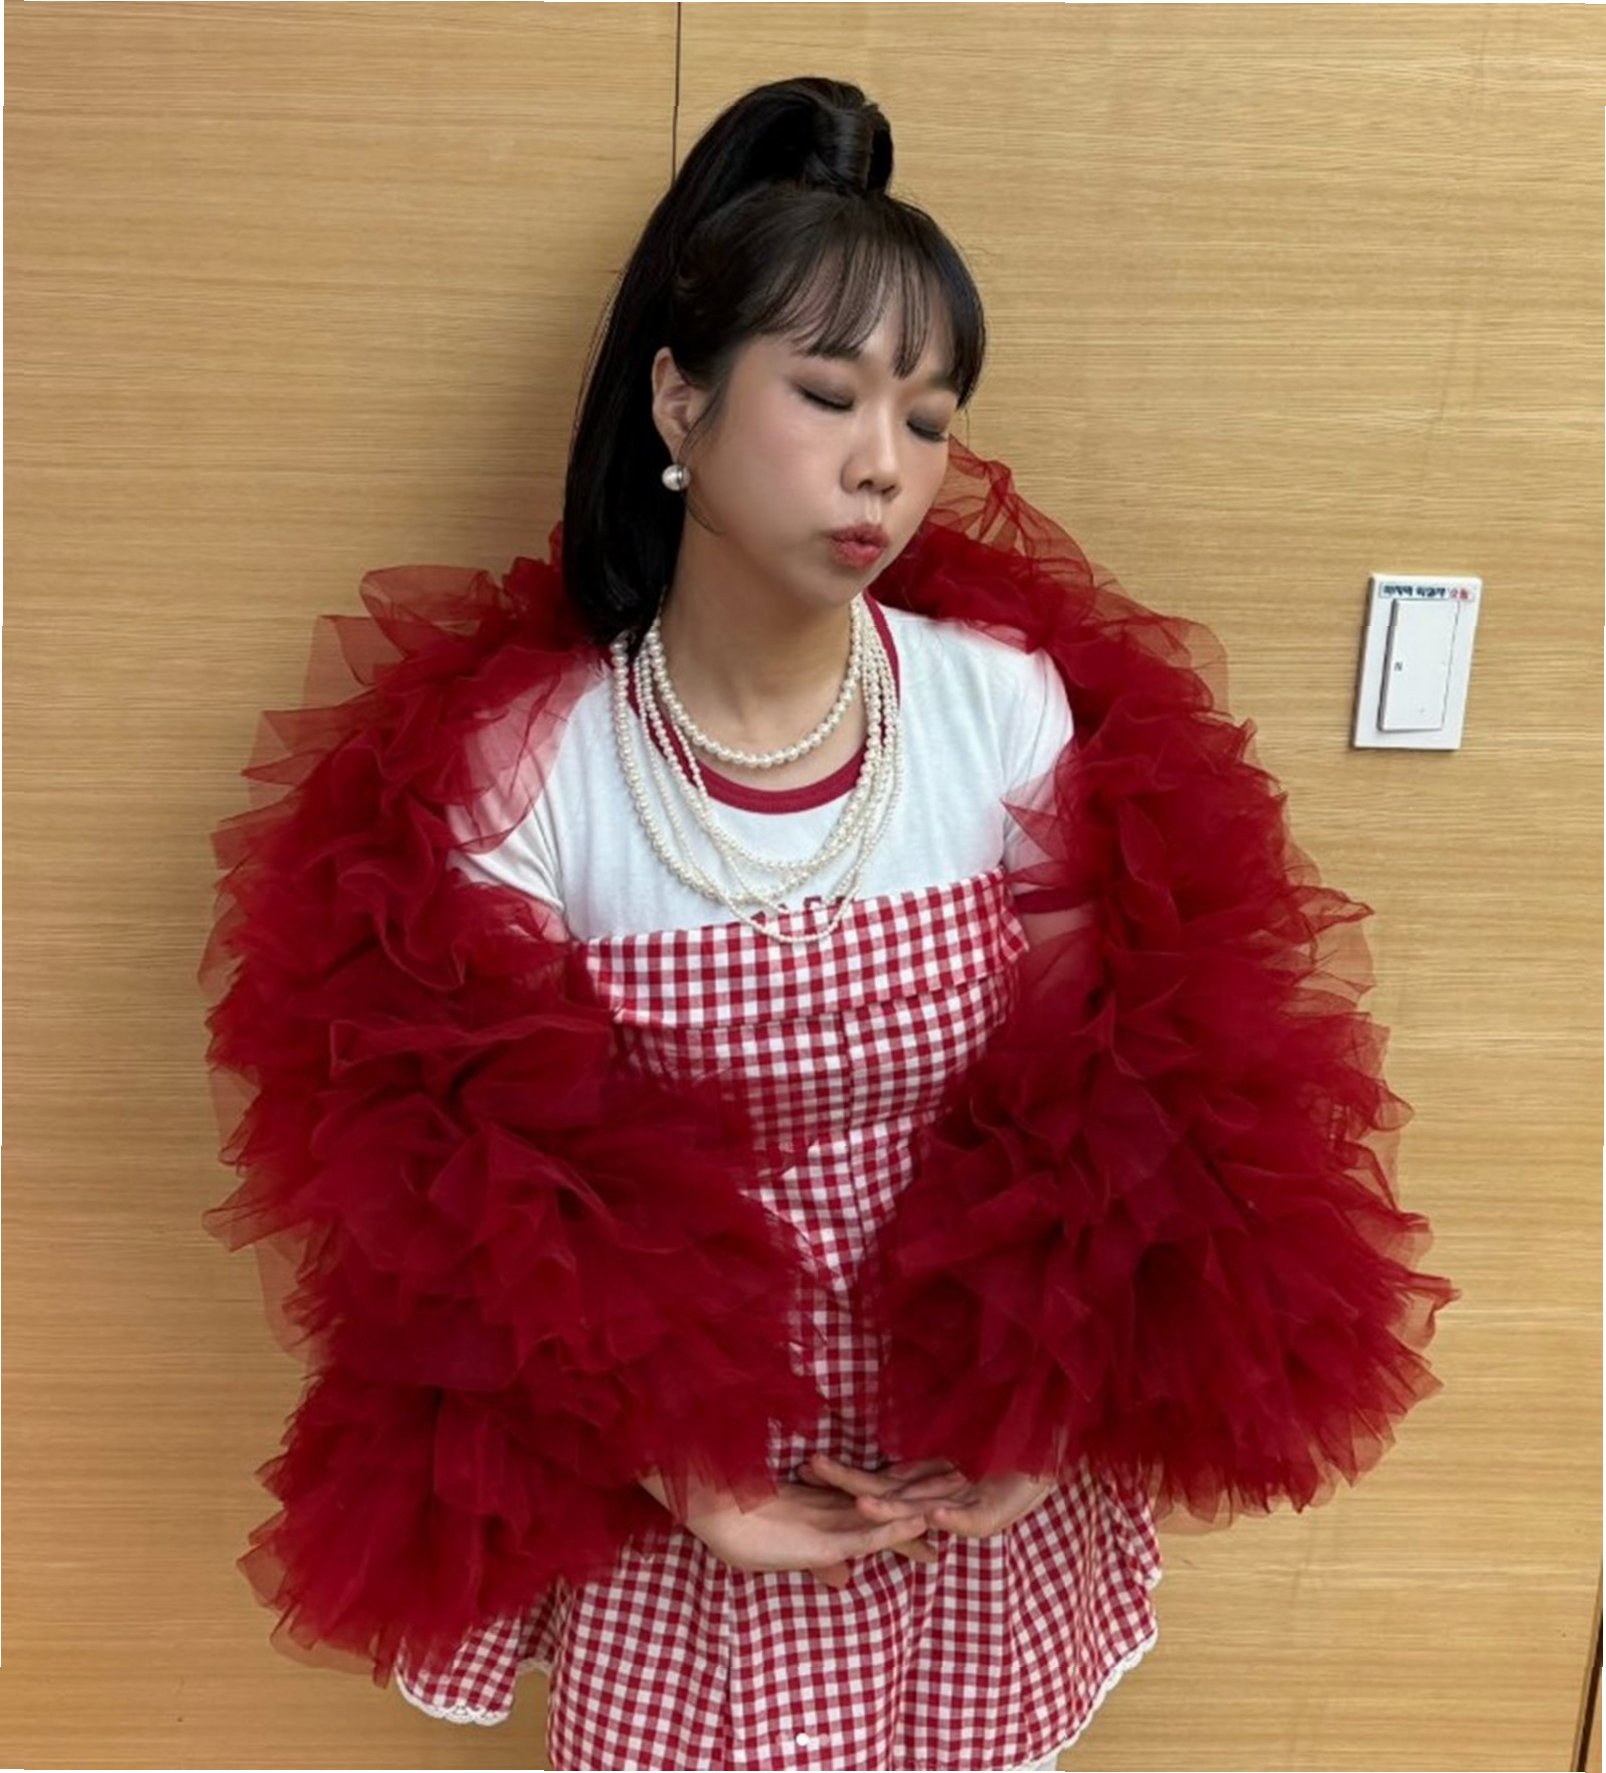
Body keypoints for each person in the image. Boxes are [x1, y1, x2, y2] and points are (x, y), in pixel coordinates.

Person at [198, 75, 1459, 1773]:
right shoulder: (530, 766)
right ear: (680, 398)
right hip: (679, 1483)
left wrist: (1043, 1406)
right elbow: (460, 1195)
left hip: (969, 1460)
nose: (883, 465)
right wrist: (686, 1470)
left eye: (928, 419)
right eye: (825, 392)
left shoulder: (1000, 709)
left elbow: (1130, 1088)